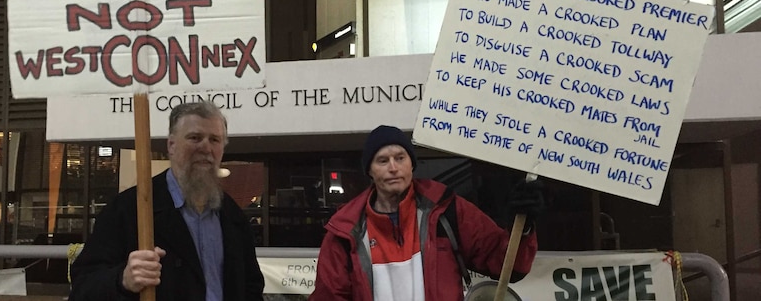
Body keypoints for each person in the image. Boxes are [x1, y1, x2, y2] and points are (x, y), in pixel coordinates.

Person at [310, 125, 544, 301]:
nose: (393, 167)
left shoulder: (446, 210)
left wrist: (522, 227)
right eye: (382, 160)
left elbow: (509, 265)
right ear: (369, 170)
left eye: (400, 158)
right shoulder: (345, 231)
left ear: (411, 164)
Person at [69, 101, 264, 301]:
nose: (206, 147)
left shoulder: (233, 217)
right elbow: (84, 286)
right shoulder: (130, 210)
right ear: (171, 145)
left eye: (214, 139)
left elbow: (251, 287)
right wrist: (122, 280)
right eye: (195, 138)